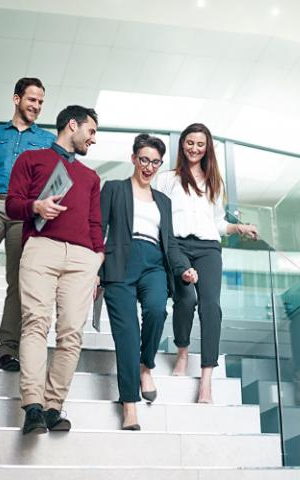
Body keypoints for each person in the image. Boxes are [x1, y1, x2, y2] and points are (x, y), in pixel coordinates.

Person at [6, 105, 103, 435]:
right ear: (72, 125)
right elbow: (11, 204)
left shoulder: (91, 177)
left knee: (72, 333)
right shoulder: (30, 160)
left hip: (82, 259)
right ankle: (32, 406)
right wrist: (35, 206)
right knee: (35, 323)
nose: (93, 139)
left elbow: (94, 223)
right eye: (90, 131)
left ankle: (52, 408)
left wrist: (97, 261)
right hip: (41, 248)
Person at [154, 123, 258, 403]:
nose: (195, 148)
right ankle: (183, 351)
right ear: (182, 144)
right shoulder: (166, 179)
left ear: (207, 147)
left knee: (211, 306)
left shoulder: (215, 182)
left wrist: (240, 228)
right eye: (190, 142)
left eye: (200, 144)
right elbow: (158, 217)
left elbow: (217, 223)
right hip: (177, 246)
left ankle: (207, 380)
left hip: (208, 248)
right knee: (186, 299)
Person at [100, 134, 198, 430]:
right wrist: (93, 270)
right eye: (144, 159)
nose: (149, 166)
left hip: (154, 262)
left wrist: (184, 269)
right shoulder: (114, 189)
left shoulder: (163, 201)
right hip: (120, 263)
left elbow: (170, 243)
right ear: (133, 159)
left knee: (157, 310)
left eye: (155, 162)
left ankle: (146, 365)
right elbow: (98, 230)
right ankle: (129, 404)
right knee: (127, 334)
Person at [0, 77, 56, 371]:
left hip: (24, 209)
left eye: (41, 102)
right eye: (32, 100)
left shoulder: (46, 141)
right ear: (16, 99)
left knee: (19, 278)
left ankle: (8, 347)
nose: (37, 106)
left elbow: (50, 181)